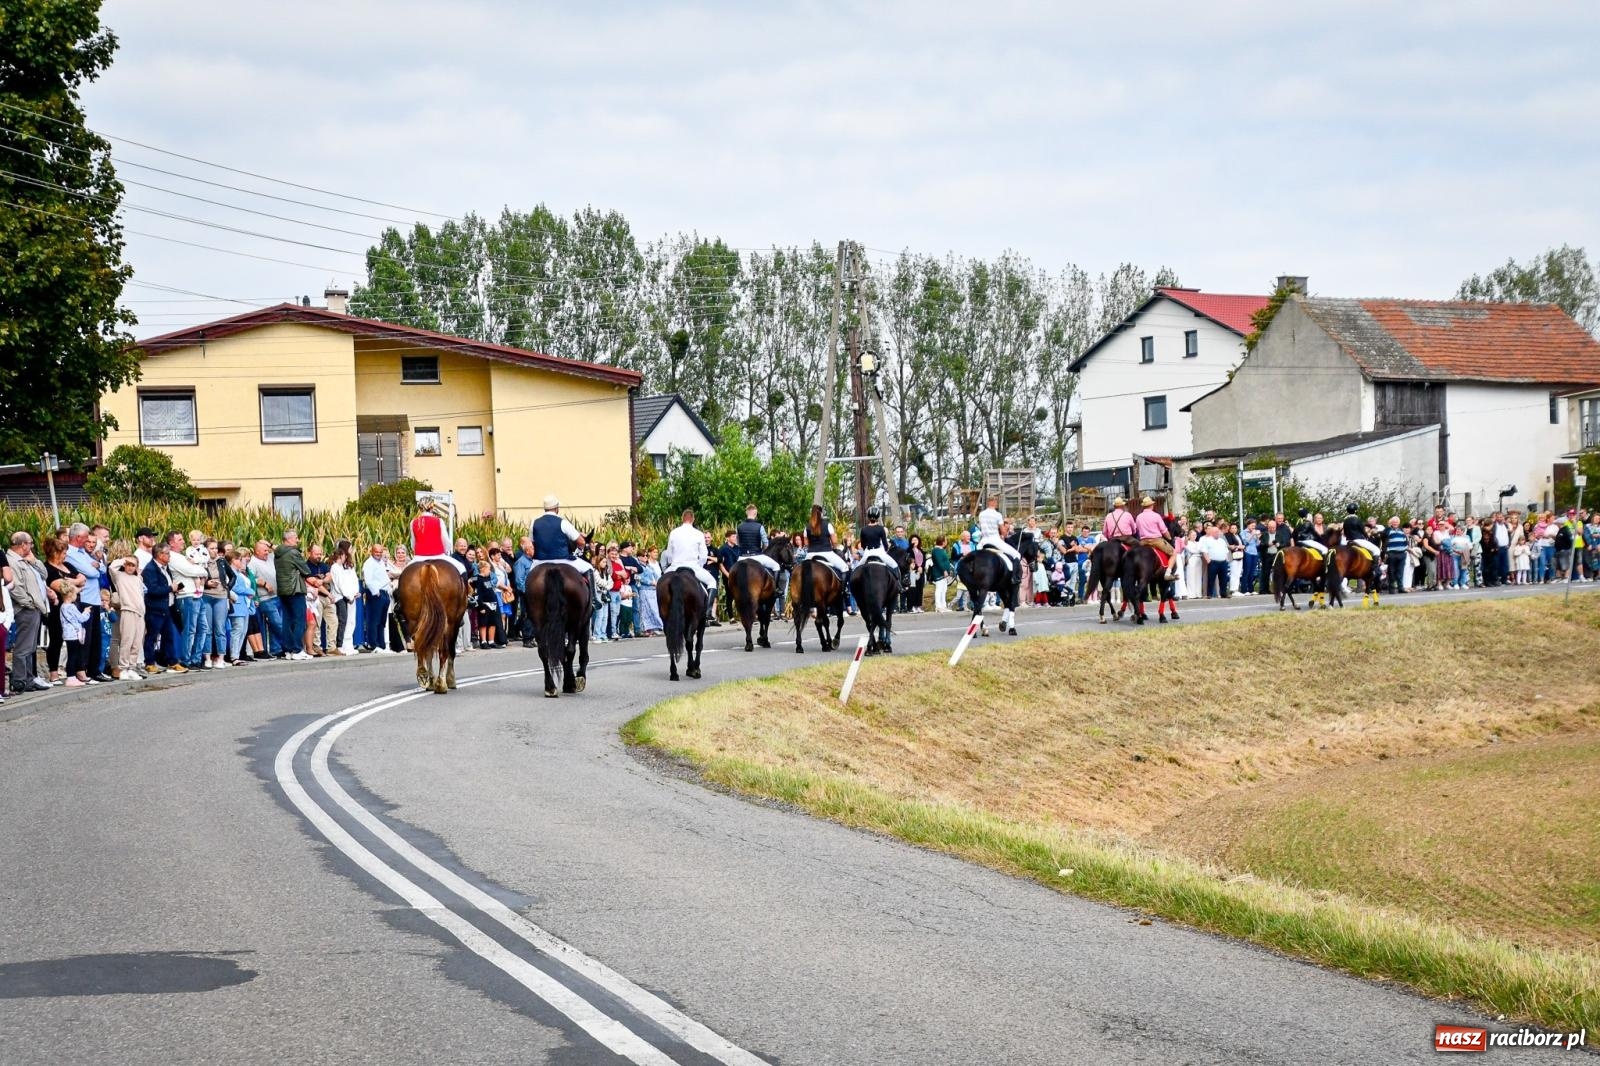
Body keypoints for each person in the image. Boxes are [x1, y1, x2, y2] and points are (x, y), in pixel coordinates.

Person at [528, 495, 594, 580]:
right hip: (562, 560)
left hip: (539, 561)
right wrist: (578, 552)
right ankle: (592, 589)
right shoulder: (563, 523)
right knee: (589, 568)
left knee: (529, 579)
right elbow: (581, 542)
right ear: (557, 508)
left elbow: (532, 543)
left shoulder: (534, 523)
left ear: (545, 508)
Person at [659, 509, 719, 599]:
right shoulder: (698, 534)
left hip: (675, 567)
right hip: (693, 567)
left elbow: (669, 554)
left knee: (660, 583)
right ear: (693, 519)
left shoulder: (674, 532)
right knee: (712, 582)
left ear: (682, 519)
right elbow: (703, 555)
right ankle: (709, 608)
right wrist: (699, 566)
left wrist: (672, 563)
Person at [275, 529, 312, 661]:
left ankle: (288, 650)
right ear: (289, 539)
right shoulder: (293, 552)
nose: (297, 540)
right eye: (296, 538)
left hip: (283, 590)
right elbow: (306, 570)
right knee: (299, 620)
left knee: (287, 621)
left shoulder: (277, 553)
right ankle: (297, 649)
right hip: (295, 590)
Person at [410, 497, 466, 576]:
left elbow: (413, 543)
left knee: (403, 575)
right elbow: (446, 541)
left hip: (419, 557)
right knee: (462, 568)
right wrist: (445, 551)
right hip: (439, 556)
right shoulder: (439, 521)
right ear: (432, 507)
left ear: (420, 508)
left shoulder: (413, 522)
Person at [975, 495, 1021, 573]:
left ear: (988, 502)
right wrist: (1007, 529)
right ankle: (1014, 577)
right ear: (994, 502)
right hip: (995, 540)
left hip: (983, 542)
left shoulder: (981, 514)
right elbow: (1004, 533)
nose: (997, 504)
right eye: (996, 502)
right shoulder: (997, 515)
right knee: (1017, 555)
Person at [801, 505, 851, 578]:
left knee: (800, 571)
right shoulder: (828, 525)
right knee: (845, 568)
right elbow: (834, 542)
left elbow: (806, 543)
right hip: (827, 553)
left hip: (810, 554)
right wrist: (834, 547)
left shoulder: (807, 527)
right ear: (821, 513)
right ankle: (843, 586)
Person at [360, 543, 392, 653]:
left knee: (382, 621)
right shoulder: (369, 563)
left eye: (380, 552)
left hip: (384, 592)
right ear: (372, 552)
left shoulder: (381, 562)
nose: (379, 554)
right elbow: (368, 579)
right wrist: (375, 591)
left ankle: (381, 644)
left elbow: (384, 577)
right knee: (374, 620)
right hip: (376, 593)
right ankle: (373, 644)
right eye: (376, 552)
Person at [1132, 496, 1176, 577]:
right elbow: (1164, 530)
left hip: (1143, 542)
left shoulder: (1138, 517)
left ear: (1144, 506)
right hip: (1156, 540)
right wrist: (1169, 538)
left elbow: (1136, 529)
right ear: (1151, 505)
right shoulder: (1156, 516)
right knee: (1173, 553)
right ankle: (1168, 573)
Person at [735, 503, 782, 575]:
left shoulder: (739, 527)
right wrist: (762, 550)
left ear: (746, 513)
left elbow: (737, 543)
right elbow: (766, 543)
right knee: (776, 566)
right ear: (755, 514)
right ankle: (774, 583)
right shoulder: (760, 526)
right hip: (757, 556)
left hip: (742, 557)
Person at [635, 548, 663, 636]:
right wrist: (651, 582)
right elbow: (640, 578)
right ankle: (647, 628)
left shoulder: (649, 566)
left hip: (653, 590)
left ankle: (655, 627)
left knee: (654, 609)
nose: (645, 557)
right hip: (644, 589)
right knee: (646, 610)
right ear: (639, 557)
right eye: (643, 556)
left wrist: (658, 582)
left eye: (646, 556)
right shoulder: (639, 567)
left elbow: (656, 575)